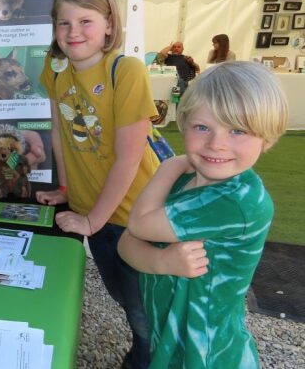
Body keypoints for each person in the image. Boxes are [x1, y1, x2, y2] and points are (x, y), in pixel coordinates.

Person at [117, 61, 288, 367]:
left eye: (238, 130)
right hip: (171, 329)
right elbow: (125, 244)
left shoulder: (238, 201)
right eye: (202, 127)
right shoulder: (186, 180)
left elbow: (138, 225)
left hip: (204, 352)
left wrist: (169, 165)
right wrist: (161, 260)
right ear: (185, 124)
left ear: (267, 137)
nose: (216, 143)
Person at [35, 0, 160, 369]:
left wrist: (92, 219)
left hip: (138, 217)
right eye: (64, 23)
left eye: (85, 21)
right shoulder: (54, 68)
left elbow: (128, 158)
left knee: (144, 310)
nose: (73, 32)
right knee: (123, 296)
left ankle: (148, 358)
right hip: (95, 213)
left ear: (109, 24)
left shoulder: (127, 72)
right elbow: (60, 131)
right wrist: (67, 188)